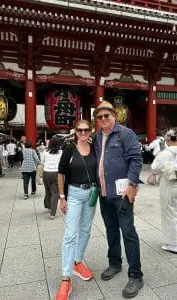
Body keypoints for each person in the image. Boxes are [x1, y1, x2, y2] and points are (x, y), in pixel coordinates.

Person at [93, 101, 143, 299]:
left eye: (107, 115)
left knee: (128, 232)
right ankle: (115, 263)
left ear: (114, 115)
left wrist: (132, 185)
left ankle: (136, 275)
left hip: (122, 194)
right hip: (104, 194)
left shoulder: (125, 133)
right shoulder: (97, 137)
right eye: (99, 117)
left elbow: (135, 159)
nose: (103, 119)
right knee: (111, 231)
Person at [56, 120, 97, 300]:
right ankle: (66, 279)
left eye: (86, 130)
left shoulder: (95, 148)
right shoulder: (69, 149)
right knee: (70, 234)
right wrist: (62, 197)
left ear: (90, 131)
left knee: (86, 230)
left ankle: (77, 261)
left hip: (91, 193)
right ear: (75, 132)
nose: (83, 132)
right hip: (73, 193)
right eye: (79, 130)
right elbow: (61, 173)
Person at [151, 128, 177, 253]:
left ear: (168, 139)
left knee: (169, 212)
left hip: (169, 184)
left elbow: (155, 168)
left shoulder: (167, 153)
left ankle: (173, 243)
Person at [42, 137, 62, 219]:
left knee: (47, 190)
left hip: (46, 173)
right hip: (56, 173)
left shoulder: (45, 152)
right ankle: (52, 213)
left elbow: (42, 161)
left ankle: (48, 205)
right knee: (55, 193)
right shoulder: (61, 152)